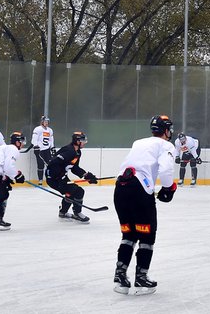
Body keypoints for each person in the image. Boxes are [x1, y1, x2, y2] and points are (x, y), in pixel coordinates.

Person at [112, 114, 177, 296]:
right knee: (147, 234)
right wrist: (168, 188)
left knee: (128, 233)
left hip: (120, 188)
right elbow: (166, 170)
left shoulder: (138, 142)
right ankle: (141, 277)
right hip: (140, 190)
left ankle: (120, 277)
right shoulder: (166, 145)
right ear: (166, 130)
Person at [46, 130, 98, 223]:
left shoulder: (77, 152)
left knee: (73, 192)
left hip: (61, 177)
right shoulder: (69, 151)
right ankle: (77, 213)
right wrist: (59, 177)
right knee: (77, 191)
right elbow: (53, 163)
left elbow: (74, 168)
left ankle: (63, 212)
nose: (84, 143)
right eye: (82, 141)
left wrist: (86, 175)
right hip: (54, 179)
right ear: (77, 141)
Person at [27, 115, 55, 184]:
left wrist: (52, 147)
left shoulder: (50, 130)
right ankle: (40, 180)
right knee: (40, 165)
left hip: (47, 150)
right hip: (39, 150)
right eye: (45, 121)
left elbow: (51, 140)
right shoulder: (38, 129)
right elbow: (34, 139)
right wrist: (35, 146)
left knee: (50, 165)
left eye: (47, 121)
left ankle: (50, 179)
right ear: (42, 122)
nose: (46, 123)